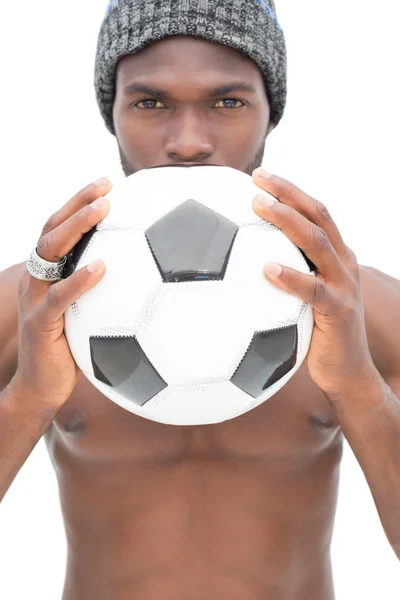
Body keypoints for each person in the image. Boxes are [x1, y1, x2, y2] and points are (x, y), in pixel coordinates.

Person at [0, 1, 399, 598]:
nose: (188, 143)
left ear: (271, 116)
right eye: (150, 103)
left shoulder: (361, 310)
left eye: (228, 102)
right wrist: (29, 397)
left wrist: (357, 384)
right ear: (111, 113)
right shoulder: (31, 307)